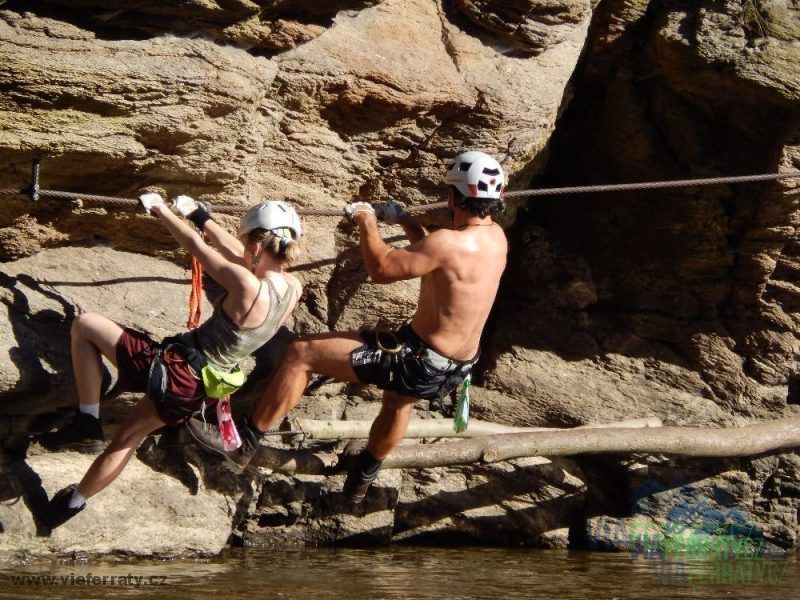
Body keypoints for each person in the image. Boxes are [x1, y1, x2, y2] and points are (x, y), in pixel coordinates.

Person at [188, 150, 508, 503]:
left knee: (300, 353)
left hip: (418, 358)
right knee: (399, 404)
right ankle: (362, 478)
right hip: (453, 366)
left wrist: (366, 220)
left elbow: (382, 269)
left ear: (454, 196)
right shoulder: (496, 239)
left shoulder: (447, 242)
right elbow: (435, 252)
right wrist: (403, 219)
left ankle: (243, 442)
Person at [39, 194, 303, 528]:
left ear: (255, 244)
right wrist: (200, 215)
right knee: (127, 438)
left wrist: (160, 209)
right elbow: (237, 254)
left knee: (86, 324)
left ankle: (87, 420)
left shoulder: (249, 285)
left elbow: (197, 247)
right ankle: (70, 505)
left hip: (174, 368)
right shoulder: (293, 288)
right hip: (199, 390)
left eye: (246, 241)